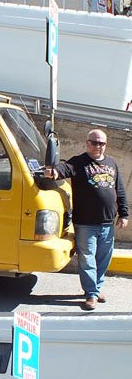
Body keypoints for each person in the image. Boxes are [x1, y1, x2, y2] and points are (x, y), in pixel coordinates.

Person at [66, 126, 129, 310]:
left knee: (103, 258)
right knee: (87, 258)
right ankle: (91, 294)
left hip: (107, 223)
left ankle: (96, 287)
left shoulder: (111, 163)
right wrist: (54, 171)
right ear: (87, 143)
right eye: (94, 142)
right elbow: (64, 168)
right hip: (85, 223)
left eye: (101, 143)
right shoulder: (79, 162)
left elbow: (120, 190)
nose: (98, 146)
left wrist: (124, 213)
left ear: (105, 145)